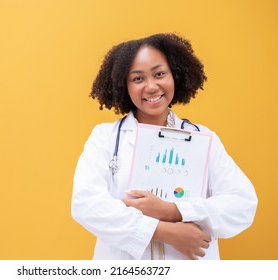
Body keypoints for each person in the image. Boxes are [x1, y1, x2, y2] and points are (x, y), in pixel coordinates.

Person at [71, 33, 258, 260]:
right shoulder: (106, 138)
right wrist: (166, 232)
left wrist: (173, 211)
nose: (151, 87)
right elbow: (86, 204)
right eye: (138, 79)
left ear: (175, 76)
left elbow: (242, 204)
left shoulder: (202, 138)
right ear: (124, 85)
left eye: (160, 74)